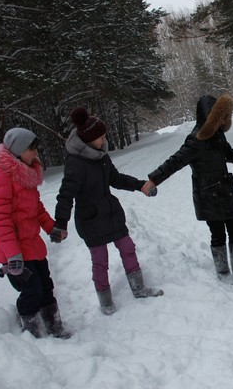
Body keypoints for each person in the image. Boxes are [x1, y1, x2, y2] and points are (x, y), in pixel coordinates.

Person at [53, 108, 163, 315]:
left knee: (128, 248)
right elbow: (66, 194)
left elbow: (116, 178)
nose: (104, 140)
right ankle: (105, 302)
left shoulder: (101, 156)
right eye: (101, 136)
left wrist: (141, 186)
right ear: (90, 138)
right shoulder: (75, 164)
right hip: (91, 220)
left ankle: (139, 288)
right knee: (100, 261)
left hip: (111, 214)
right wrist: (60, 223)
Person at [141, 94, 233, 285]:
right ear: (210, 116)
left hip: (227, 190)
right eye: (219, 115)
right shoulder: (196, 139)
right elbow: (175, 161)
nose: (223, 119)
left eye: (224, 116)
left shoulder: (218, 135)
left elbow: (228, 153)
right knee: (218, 235)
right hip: (209, 195)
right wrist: (154, 179)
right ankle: (223, 272)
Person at [0, 128, 71, 338]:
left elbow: (36, 208)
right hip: (12, 249)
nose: (35, 153)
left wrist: (52, 227)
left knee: (46, 285)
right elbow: (1, 220)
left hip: (30, 243)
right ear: (18, 150)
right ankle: (30, 329)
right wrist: (13, 255)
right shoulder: (0, 177)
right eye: (31, 149)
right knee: (32, 289)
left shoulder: (26, 172)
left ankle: (54, 325)